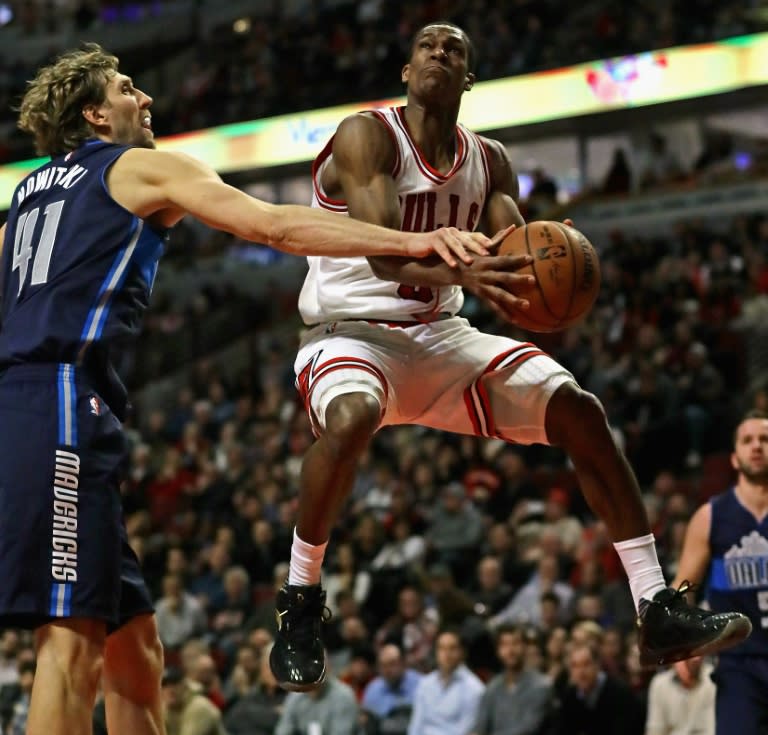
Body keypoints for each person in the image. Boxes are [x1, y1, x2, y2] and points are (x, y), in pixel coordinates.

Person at [0, 43, 499, 735]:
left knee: (135, 651)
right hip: (57, 404)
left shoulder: (24, 197)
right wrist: (414, 242)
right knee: (69, 647)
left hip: (38, 407)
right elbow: (275, 225)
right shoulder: (137, 167)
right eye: (126, 89)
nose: (144, 99)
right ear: (94, 113)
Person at [268, 20, 752, 693]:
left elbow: (512, 255)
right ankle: (299, 601)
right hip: (352, 330)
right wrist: (468, 271)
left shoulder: (489, 159)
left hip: (443, 336)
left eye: (455, 49)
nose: (439, 53)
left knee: (580, 410)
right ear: (406, 72)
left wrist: (544, 263)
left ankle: (654, 604)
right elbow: (381, 249)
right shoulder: (368, 134)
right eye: (426, 47)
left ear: (468, 78)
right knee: (351, 417)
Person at [673, 410, 768, 735]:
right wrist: (681, 643)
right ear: (734, 457)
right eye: (748, 440)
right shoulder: (710, 517)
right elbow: (685, 588)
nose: (757, 446)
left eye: (765, 439)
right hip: (738, 661)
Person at [644, 657, 715, 735]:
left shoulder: (713, 680)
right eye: (688, 655)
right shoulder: (660, 684)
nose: (696, 659)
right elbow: (655, 730)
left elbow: (712, 729)